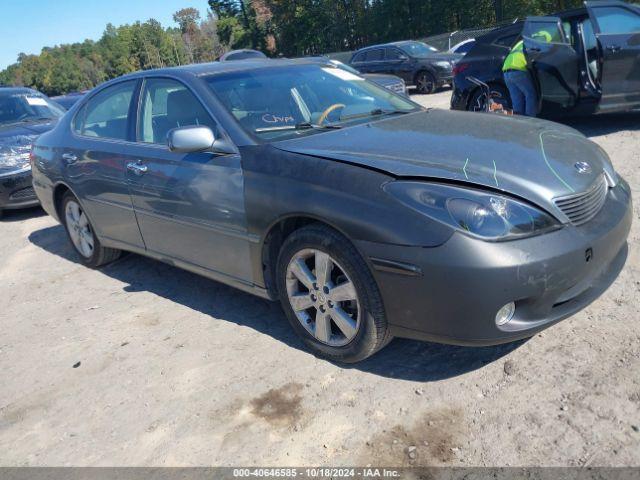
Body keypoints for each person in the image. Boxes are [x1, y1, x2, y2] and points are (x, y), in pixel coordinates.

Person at [502, 31, 551, 117]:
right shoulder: (535, 42)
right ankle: (530, 120)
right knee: (530, 94)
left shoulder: (522, 42)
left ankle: (519, 122)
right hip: (518, 69)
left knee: (517, 100)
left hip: (506, 71)